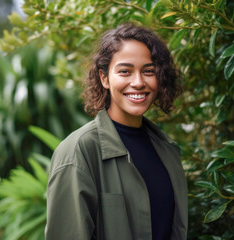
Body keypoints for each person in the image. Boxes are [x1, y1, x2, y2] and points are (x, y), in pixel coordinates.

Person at [46, 23, 187, 240]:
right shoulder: (78, 152)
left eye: (148, 71)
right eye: (125, 71)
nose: (138, 82)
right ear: (104, 78)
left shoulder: (166, 150)